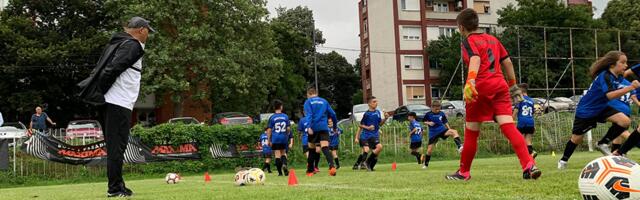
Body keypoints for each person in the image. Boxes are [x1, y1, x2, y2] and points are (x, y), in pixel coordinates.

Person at [447, 9, 540, 181]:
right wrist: (513, 86)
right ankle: (528, 165)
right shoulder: (493, 39)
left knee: (472, 131)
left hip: (480, 86)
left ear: (461, 28)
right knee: (509, 126)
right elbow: (508, 62)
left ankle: (464, 172)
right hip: (500, 85)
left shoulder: (468, 41)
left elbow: (475, 59)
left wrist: (471, 81)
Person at [78, 16, 154, 197]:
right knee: (116, 148)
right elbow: (112, 69)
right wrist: (100, 91)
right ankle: (115, 188)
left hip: (112, 102)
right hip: (118, 103)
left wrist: (101, 94)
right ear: (141, 30)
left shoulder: (119, 43)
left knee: (115, 147)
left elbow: (110, 68)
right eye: (148, 32)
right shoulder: (133, 45)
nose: (148, 36)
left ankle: (118, 185)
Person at [558, 51, 640, 170]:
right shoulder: (605, 76)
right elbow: (610, 95)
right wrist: (631, 87)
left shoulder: (618, 76)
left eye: (626, 63)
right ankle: (563, 160)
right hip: (587, 111)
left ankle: (602, 143)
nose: (626, 65)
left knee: (625, 122)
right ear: (612, 64)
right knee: (576, 139)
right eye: (622, 62)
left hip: (601, 108)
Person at [303, 87, 339, 176]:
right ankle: (332, 166)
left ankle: (310, 171)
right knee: (325, 147)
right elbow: (333, 114)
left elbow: (309, 115)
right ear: (316, 93)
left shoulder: (308, 102)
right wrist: (334, 126)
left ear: (308, 94)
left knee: (311, 148)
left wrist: (308, 127)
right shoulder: (324, 101)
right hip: (323, 127)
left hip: (313, 127)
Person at [423, 101, 462, 169]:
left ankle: (460, 147)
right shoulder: (428, 114)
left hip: (442, 130)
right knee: (429, 150)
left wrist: (449, 129)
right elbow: (424, 121)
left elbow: (445, 121)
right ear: (432, 107)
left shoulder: (441, 113)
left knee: (454, 131)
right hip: (433, 134)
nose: (438, 110)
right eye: (436, 109)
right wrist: (428, 123)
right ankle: (426, 165)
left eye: (439, 109)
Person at [358, 96, 389, 171]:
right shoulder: (367, 114)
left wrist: (385, 118)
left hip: (374, 135)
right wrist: (368, 128)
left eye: (376, 101)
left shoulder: (378, 112)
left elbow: (379, 124)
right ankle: (365, 163)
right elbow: (360, 125)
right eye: (374, 102)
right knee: (373, 148)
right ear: (369, 104)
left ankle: (369, 165)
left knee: (378, 150)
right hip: (366, 136)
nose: (376, 103)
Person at [266, 100, 291, 176]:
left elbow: (269, 129)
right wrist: (287, 134)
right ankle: (284, 164)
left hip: (276, 138)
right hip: (283, 138)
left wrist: (269, 140)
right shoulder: (285, 116)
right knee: (283, 153)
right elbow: (288, 128)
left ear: (274, 108)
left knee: (277, 155)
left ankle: (280, 173)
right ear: (281, 107)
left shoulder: (272, 117)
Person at [512, 83, 537, 158]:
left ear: (521, 91)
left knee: (518, 139)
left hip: (522, 122)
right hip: (530, 122)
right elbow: (532, 113)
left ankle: (526, 153)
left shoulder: (520, 100)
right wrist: (533, 125)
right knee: (528, 140)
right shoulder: (532, 101)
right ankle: (531, 153)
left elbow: (516, 110)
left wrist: (511, 120)